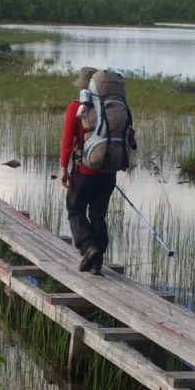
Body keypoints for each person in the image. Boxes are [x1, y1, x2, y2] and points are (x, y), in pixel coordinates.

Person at [60, 67, 117, 276]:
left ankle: (88, 248)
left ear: (85, 87)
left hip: (84, 171)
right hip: (108, 173)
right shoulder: (113, 109)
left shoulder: (76, 107)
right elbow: (130, 139)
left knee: (75, 210)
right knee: (98, 216)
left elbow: (68, 141)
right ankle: (95, 261)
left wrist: (63, 168)